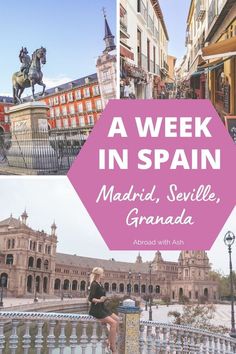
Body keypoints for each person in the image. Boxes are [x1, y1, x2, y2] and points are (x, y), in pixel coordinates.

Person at [88, 267, 119, 353]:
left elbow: (100, 296)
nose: (104, 274)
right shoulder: (94, 284)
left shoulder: (100, 284)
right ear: (99, 274)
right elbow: (90, 298)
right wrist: (99, 300)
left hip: (103, 307)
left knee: (117, 319)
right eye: (103, 273)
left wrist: (104, 298)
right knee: (113, 323)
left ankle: (109, 340)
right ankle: (112, 346)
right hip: (96, 309)